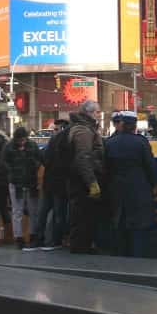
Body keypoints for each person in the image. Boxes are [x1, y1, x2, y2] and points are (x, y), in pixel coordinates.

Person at [105, 112, 156, 258]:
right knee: (138, 227)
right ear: (134, 126)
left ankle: (120, 255)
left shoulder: (109, 142)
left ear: (121, 124)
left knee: (119, 224)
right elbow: (150, 166)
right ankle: (137, 257)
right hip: (138, 189)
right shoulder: (141, 142)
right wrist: (152, 185)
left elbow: (105, 168)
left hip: (116, 189)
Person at [68, 100, 104, 254]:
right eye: (97, 112)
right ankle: (81, 247)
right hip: (82, 181)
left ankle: (82, 245)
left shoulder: (84, 128)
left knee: (84, 214)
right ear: (89, 113)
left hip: (81, 179)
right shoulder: (83, 130)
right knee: (83, 214)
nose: (98, 115)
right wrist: (92, 182)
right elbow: (83, 158)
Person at [2, 126, 43, 250]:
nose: (22, 142)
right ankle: (19, 237)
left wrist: (33, 166)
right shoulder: (9, 147)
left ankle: (32, 235)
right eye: (20, 140)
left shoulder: (31, 145)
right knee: (18, 211)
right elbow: (4, 163)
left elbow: (40, 160)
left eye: (24, 139)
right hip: (17, 182)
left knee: (32, 210)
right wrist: (14, 171)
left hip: (29, 182)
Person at [33, 119, 70, 251]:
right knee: (55, 213)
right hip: (57, 183)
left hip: (52, 183)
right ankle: (54, 240)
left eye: (55, 129)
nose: (53, 132)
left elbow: (43, 158)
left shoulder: (54, 143)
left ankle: (44, 239)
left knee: (48, 212)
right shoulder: (61, 143)